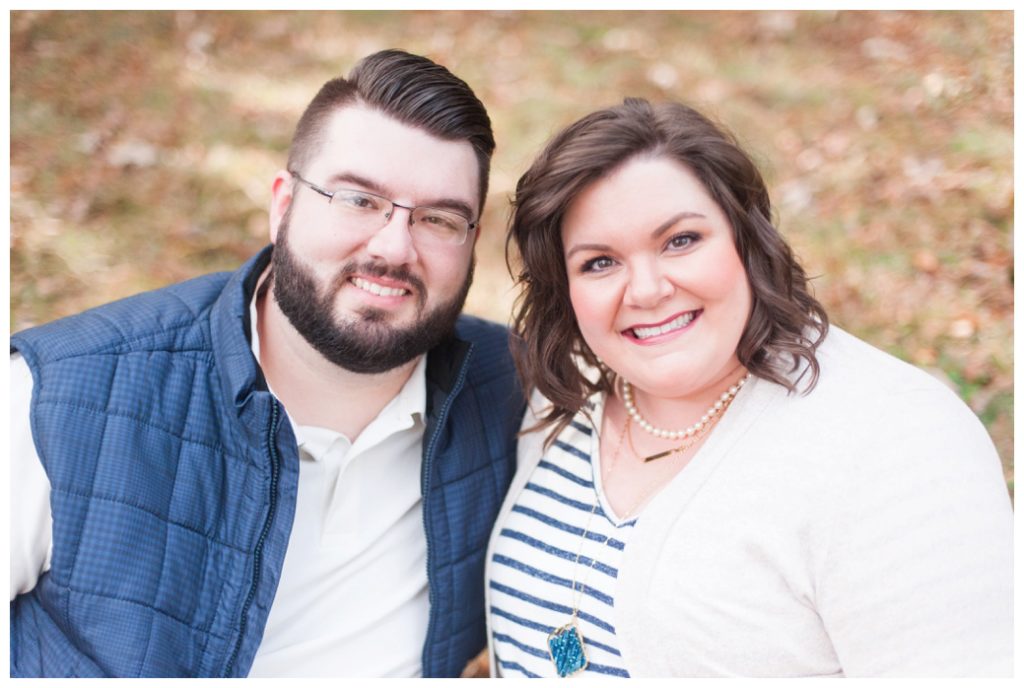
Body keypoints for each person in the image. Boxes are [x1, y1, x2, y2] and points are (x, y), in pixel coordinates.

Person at [10, 49, 525, 678]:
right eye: (359, 200)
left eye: (439, 219)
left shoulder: (512, 389)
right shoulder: (59, 399)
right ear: (283, 205)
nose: (394, 247)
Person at [485, 98, 1012, 677]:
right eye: (599, 262)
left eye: (681, 240)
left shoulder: (897, 442)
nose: (647, 289)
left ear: (747, 236)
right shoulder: (565, 399)